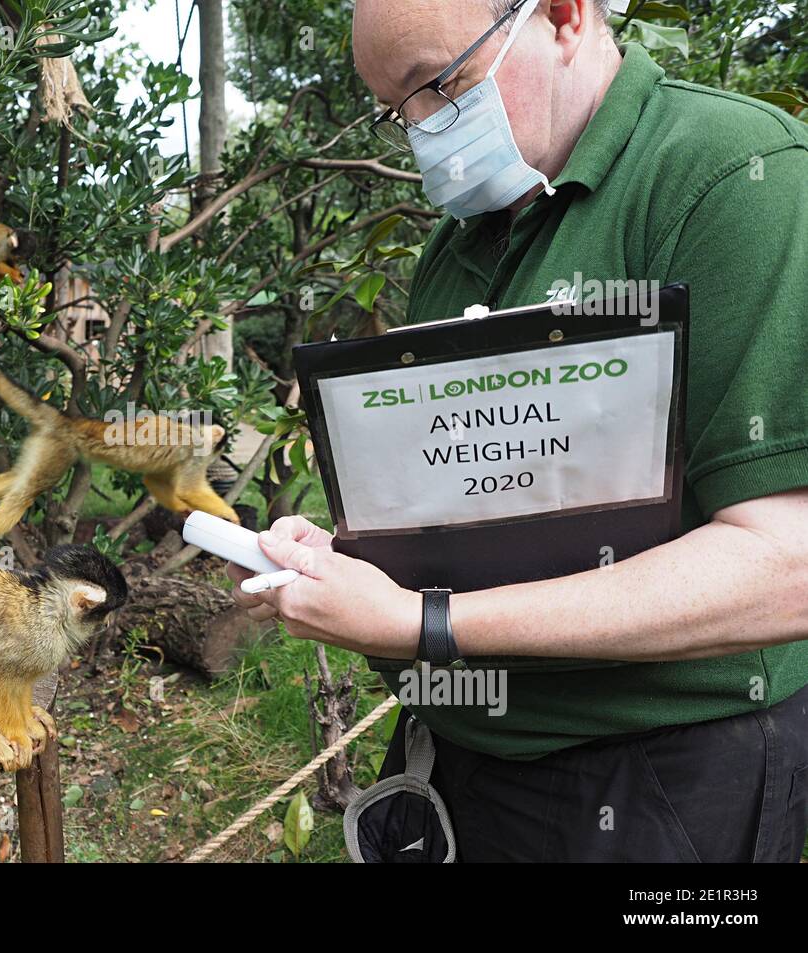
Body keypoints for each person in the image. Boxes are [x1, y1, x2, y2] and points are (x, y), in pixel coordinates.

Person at [229, 0, 808, 861]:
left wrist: (426, 624)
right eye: (397, 109)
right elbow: (474, 499)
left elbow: (785, 565)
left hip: (662, 779)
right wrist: (351, 555)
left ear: (566, 16)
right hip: (461, 758)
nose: (422, 127)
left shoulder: (734, 175)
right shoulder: (461, 243)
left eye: (438, 83)